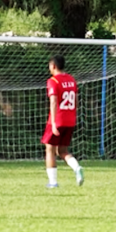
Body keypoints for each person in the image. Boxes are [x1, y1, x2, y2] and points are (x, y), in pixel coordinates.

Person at [42, 55, 84, 188]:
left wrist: (53, 123)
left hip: (57, 120)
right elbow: (76, 100)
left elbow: (53, 101)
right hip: (70, 120)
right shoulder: (72, 80)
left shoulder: (53, 81)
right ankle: (77, 168)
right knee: (62, 150)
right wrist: (72, 115)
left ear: (53, 66)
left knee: (50, 149)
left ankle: (53, 182)